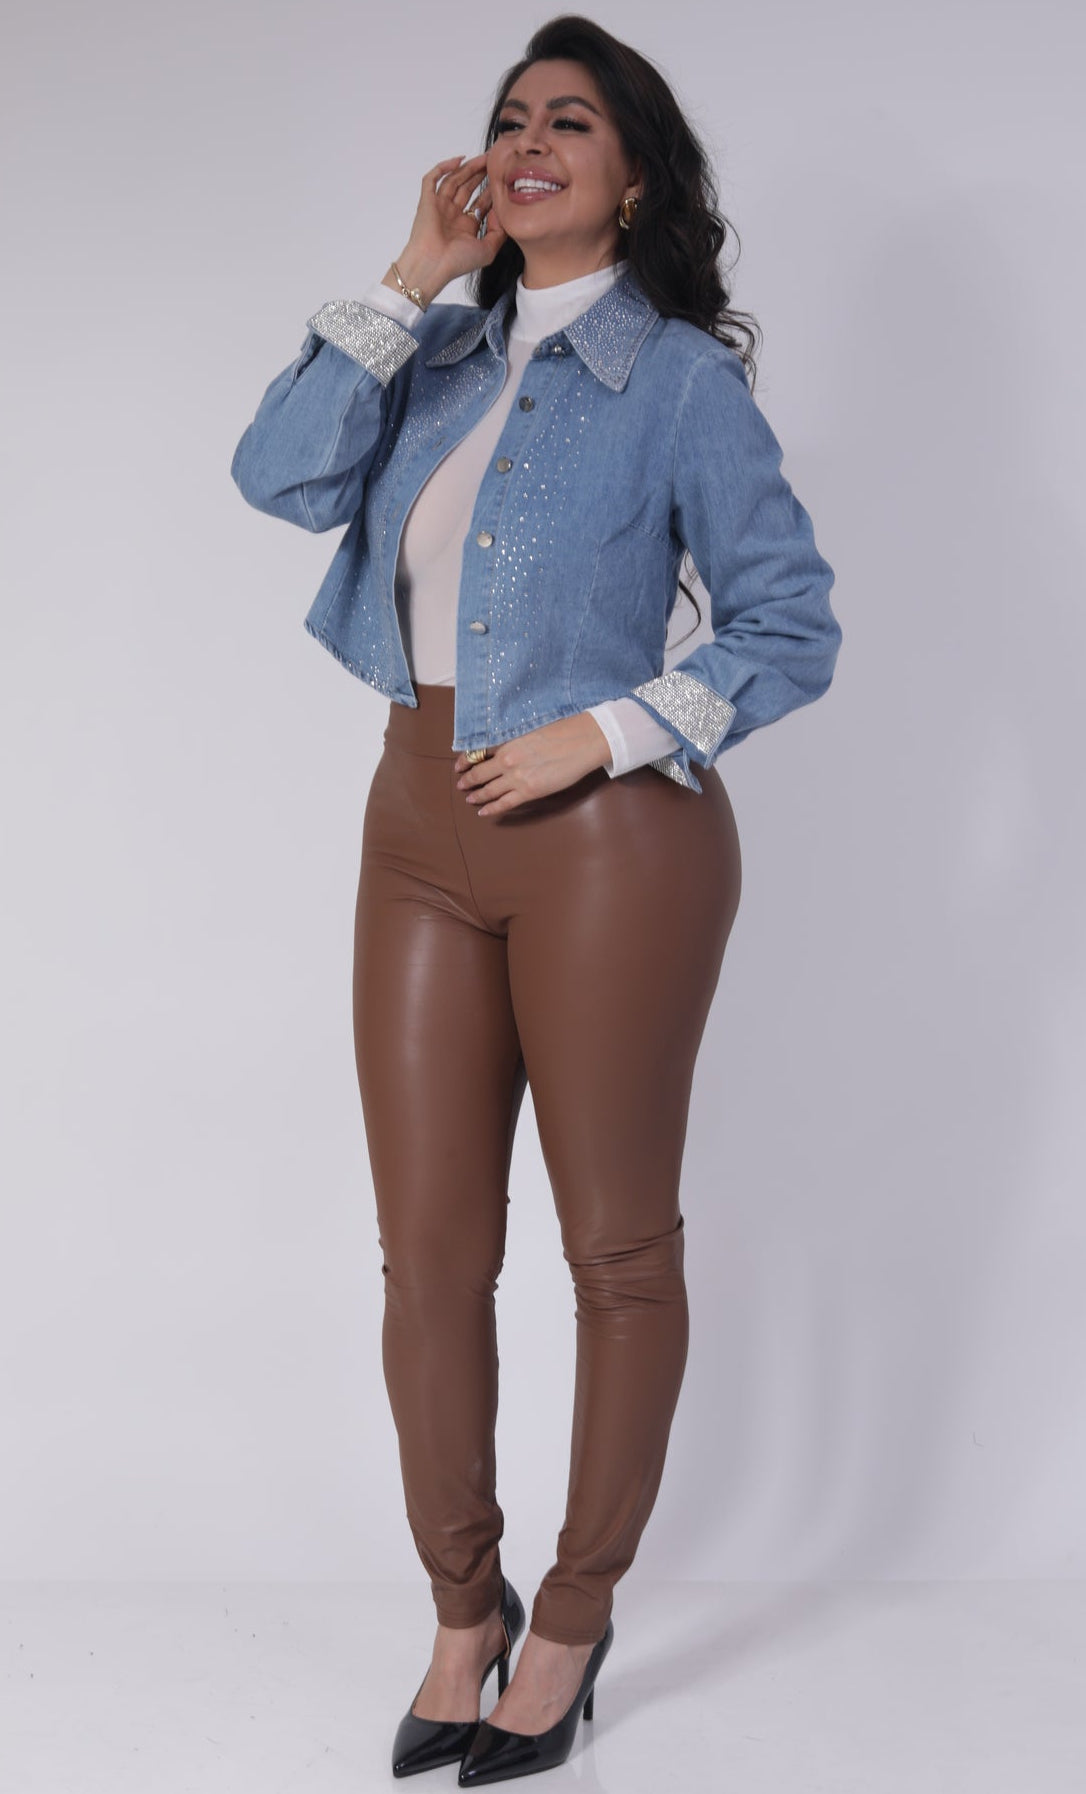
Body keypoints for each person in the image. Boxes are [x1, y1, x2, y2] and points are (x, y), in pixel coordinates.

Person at [230, 14, 841, 1783]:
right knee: (428, 1250)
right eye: (509, 118)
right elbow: (277, 477)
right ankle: (460, 1606)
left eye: (570, 121)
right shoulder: (430, 358)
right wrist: (411, 273)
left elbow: (791, 623)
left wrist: (605, 729)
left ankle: (571, 1617)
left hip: (610, 838)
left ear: (632, 177)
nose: (528, 142)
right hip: (413, 825)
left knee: (613, 1247)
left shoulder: (681, 385)